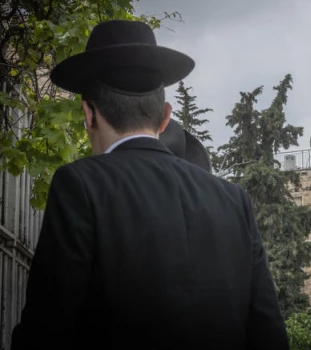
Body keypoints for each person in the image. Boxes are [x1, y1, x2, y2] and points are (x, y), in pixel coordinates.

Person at [11, 20, 290, 350]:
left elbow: (45, 331)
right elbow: (269, 336)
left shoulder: (80, 185)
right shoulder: (234, 200)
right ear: (165, 116)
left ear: (88, 114)